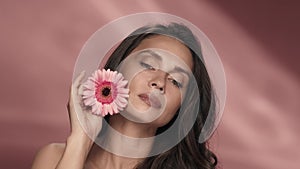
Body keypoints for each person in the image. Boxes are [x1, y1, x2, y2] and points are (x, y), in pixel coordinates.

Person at [32, 23, 218, 169]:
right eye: (148, 65)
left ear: (181, 107)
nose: (159, 82)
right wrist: (79, 142)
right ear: (117, 69)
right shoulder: (54, 158)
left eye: (176, 81)